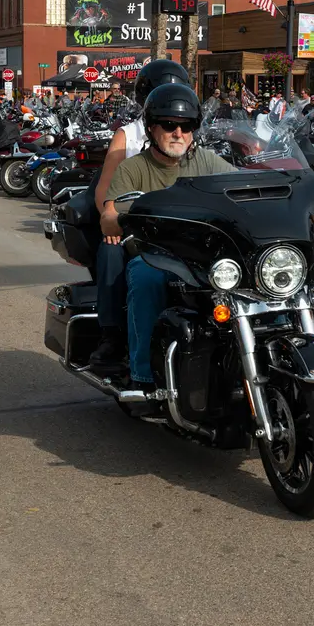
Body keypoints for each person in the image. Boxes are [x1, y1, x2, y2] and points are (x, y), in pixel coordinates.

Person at [97, 83, 234, 389]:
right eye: (170, 125)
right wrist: (119, 218)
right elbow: (109, 215)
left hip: (201, 254)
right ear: (151, 128)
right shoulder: (133, 169)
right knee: (147, 279)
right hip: (155, 254)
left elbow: (239, 184)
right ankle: (143, 377)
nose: (178, 133)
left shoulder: (207, 162)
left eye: (186, 126)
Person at [90, 59, 192, 373]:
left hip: (182, 222)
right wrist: (113, 215)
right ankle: (112, 333)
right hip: (137, 223)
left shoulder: (186, 133)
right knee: (111, 244)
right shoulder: (129, 135)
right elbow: (104, 191)